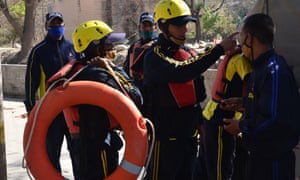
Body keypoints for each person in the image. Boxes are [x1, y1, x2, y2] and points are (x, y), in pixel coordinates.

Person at [142, 0, 237, 179]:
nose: (185, 30)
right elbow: (181, 71)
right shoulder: (154, 56)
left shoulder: (187, 53)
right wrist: (218, 50)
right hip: (165, 138)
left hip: (189, 136)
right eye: (179, 25)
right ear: (163, 26)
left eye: (186, 24)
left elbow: (197, 95)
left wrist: (200, 126)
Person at [47, 20, 143, 179]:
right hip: (98, 146)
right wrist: (113, 69)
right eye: (108, 44)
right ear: (95, 48)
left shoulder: (78, 70)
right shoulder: (95, 75)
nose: (113, 48)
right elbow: (136, 97)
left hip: (84, 145)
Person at [222, 13, 300, 180]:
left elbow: (273, 119)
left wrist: (241, 126)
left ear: (250, 38)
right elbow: (267, 103)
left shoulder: (274, 71)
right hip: (258, 158)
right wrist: (244, 103)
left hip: (273, 163)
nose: (240, 44)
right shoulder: (260, 68)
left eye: (241, 37)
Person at [24, 11, 79, 179]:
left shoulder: (72, 48)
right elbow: (30, 83)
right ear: (47, 26)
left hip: (71, 110)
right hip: (50, 111)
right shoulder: (38, 51)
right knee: (51, 152)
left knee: (77, 151)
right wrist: (31, 109)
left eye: (59, 23)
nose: (56, 27)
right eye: (52, 24)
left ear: (63, 25)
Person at [202, 45, 252, 180]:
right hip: (221, 119)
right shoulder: (241, 60)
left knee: (213, 166)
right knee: (221, 168)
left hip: (212, 114)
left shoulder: (235, 58)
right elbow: (253, 86)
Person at [123, 11, 157, 114]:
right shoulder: (134, 47)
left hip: (155, 90)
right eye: (144, 26)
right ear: (139, 27)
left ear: (155, 27)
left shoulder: (159, 45)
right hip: (137, 88)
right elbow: (127, 68)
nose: (147, 29)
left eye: (150, 26)